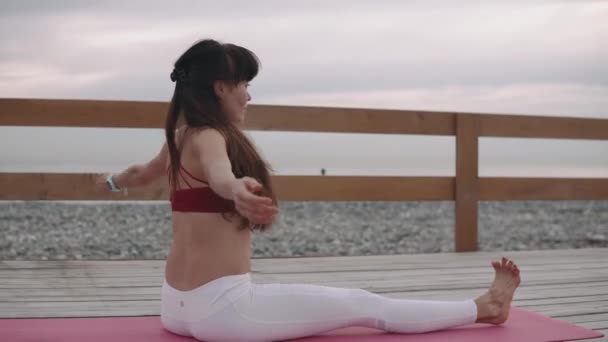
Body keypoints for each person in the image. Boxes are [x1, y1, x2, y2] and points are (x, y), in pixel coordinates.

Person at [96, 39, 521, 342]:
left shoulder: (179, 135)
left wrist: (111, 182)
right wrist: (237, 189)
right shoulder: (209, 137)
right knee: (361, 304)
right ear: (220, 87)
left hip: (175, 306)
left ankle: (483, 306)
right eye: (243, 83)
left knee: (338, 301)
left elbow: (143, 171)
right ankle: (485, 308)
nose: (248, 94)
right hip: (221, 312)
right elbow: (221, 174)